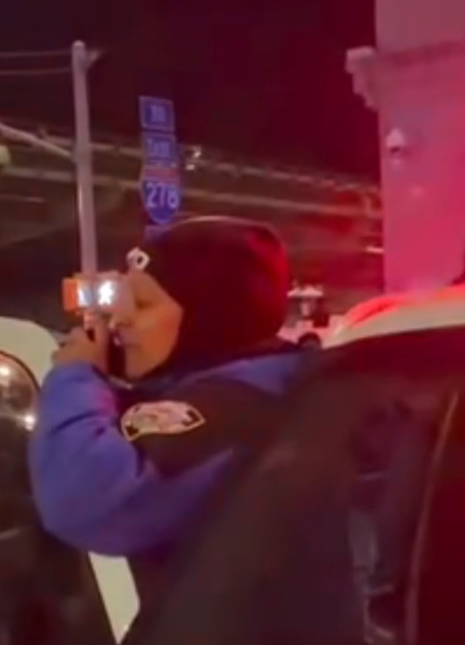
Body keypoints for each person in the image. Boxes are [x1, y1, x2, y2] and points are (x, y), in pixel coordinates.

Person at [30, 217, 305, 602]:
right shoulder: (264, 386)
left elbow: (84, 500)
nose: (121, 320)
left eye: (141, 304)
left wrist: (78, 376)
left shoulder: (235, 408)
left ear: (209, 315)